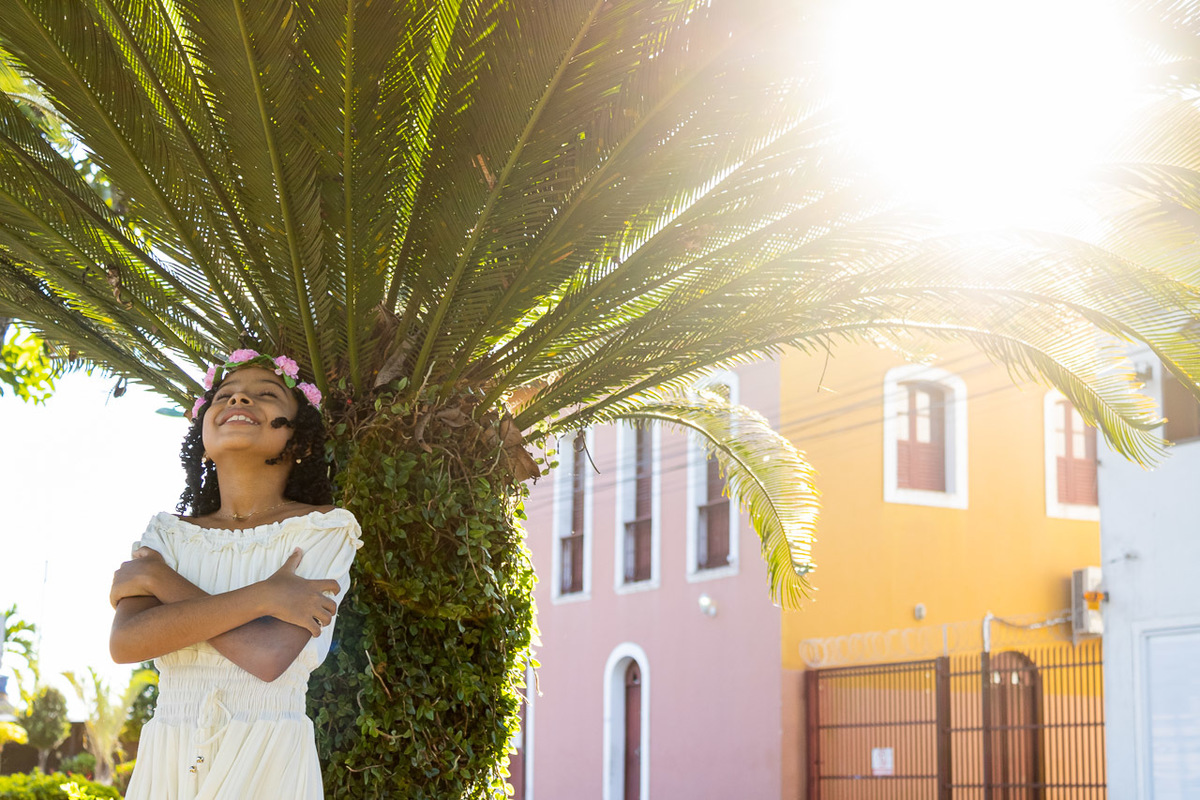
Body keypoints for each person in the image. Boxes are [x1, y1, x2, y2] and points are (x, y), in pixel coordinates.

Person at [109, 350, 362, 799]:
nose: (239, 401)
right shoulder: (167, 534)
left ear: (300, 439)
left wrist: (161, 582)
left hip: (268, 757)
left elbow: (267, 656)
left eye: (265, 394)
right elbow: (127, 642)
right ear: (203, 435)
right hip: (172, 751)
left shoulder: (324, 529)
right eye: (224, 395)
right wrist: (266, 597)